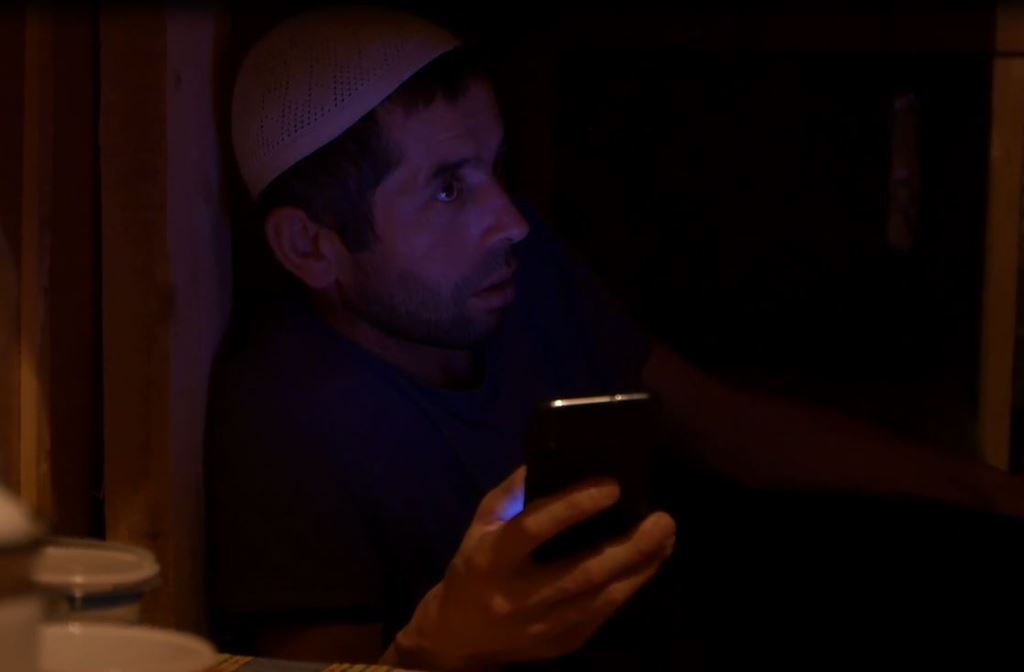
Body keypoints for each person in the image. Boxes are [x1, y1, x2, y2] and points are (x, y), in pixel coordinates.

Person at [205, 6, 1024, 670]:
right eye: (449, 189)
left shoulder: (516, 278)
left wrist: (986, 491)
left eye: (495, 168)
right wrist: (438, 651)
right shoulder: (286, 417)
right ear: (311, 246)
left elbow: (719, 424)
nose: (510, 221)